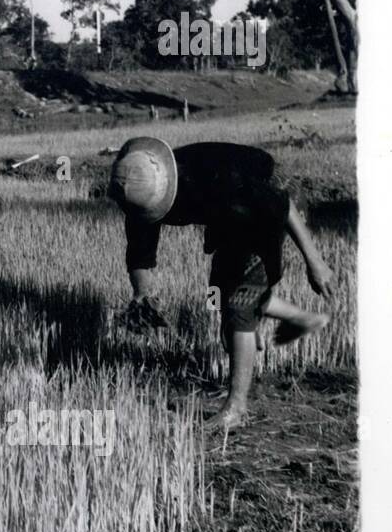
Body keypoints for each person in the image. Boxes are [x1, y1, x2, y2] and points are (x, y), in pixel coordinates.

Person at [107, 137, 334, 430]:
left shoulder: (219, 179)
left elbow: (283, 205)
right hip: (232, 218)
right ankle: (305, 318)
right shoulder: (137, 185)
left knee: (239, 307)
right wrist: (143, 294)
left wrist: (314, 262)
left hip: (270, 206)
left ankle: (235, 409)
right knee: (228, 301)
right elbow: (140, 249)